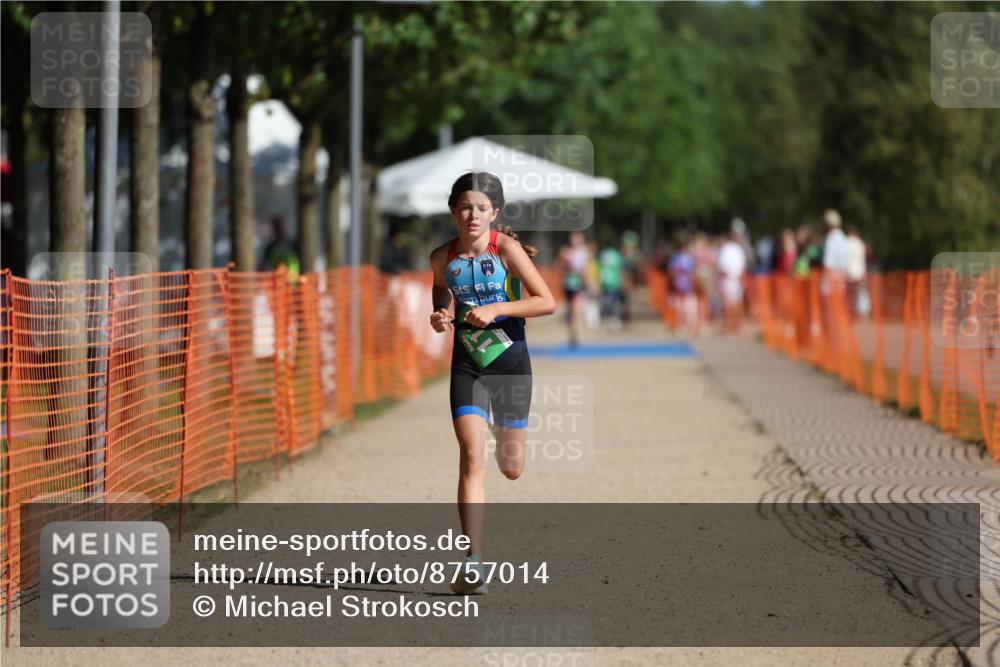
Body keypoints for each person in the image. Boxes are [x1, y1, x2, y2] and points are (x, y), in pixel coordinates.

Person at [429, 172, 556, 595]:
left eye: (482, 208)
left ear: (495, 213)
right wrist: (440, 313)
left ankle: (509, 443)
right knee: (470, 455)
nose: (473, 215)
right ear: (453, 210)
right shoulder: (441, 256)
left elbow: (546, 301)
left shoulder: (507, 250)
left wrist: (498, 308)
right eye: (465, 206)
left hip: (511, 364)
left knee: (511, 467)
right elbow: (440, 289)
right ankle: (473, 561)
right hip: (468, 365)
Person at [556, 231, 590, 348]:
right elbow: (560, 268)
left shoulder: (583, 252)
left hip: (577, 285)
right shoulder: (565, 252)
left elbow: (584, 269)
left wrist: (587, 282)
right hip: (567, 284)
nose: (575, 240)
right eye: (573, 238)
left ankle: (575, 335)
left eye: (577, 238)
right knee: (570, 310)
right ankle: (571, 333)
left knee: (576, 311)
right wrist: (564, 263)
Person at [717, 228, 747, 334]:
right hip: (735, 279)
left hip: (729, 280)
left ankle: (731, 325)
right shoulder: (737, 249)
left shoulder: (726, 249)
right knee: (735, 302)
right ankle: (735, 324)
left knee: (730, 303)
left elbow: (722, 266)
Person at [668, 237, 698, 335]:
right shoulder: (687, 258)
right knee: (683, 306)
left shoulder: (676, 258)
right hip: (683, 284)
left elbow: (672, 271)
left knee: (682, 306)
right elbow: (692, 273)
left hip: (680, 283)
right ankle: (683, 325)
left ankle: (682, 325)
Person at [262, 215, 301, 282]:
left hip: (293, 283)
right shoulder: (270, 248)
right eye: (276, 227)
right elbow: (265, 265)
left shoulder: (293, 245)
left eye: (281, 226)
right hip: (276, 284)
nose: (279, 229)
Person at [598, 241, 625, 331]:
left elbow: (600, 269)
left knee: (607, 302)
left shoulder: (603, 254)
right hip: (613, 282)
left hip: (607, 282)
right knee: (613, 302)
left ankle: (607, 320)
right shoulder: (616, 255)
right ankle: (613, 320)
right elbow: (620, 269)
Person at [845, 224, 867, 319]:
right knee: (858, 294)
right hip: (859, 272)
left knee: (849, 295)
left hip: (848, 273)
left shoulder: (846, 242)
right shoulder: (860, 243)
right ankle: (860, 314)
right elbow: (862, 260)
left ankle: (851, 313)